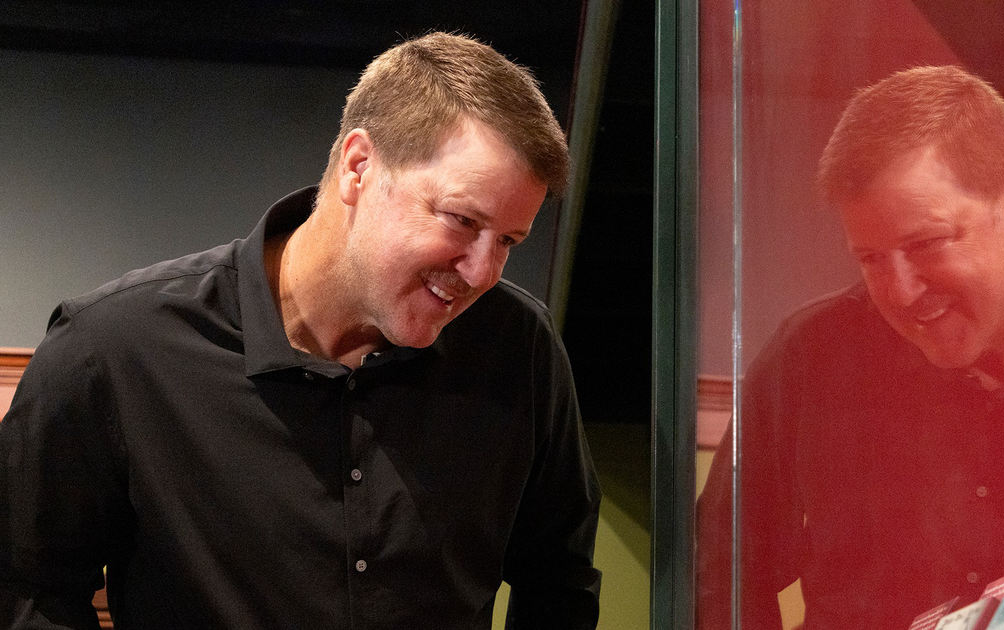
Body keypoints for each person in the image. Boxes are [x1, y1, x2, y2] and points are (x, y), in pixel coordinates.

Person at [0, 32, 602, 629]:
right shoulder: (110, 350)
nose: (483, 272)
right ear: (359, 167)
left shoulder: (522, 351)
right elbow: (29, 593)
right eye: (462, 220)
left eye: (508, 242)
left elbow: (559, 582)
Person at [696, 66, 1004, 630]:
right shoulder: (809, 361)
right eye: (870, 258)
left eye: (927, 243)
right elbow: (716, 570)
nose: (901, 292)